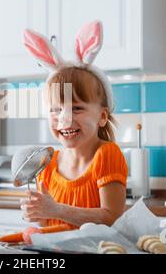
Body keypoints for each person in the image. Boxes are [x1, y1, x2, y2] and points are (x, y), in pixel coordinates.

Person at [20, 21, 128, 229]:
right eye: (56, 110)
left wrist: (56, 209)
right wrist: (37, 212)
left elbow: (112, 218)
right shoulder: (48, 163)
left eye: (77, 108)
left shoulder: (107, 155)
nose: (65, 119)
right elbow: (46, 223)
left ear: (102, 116)